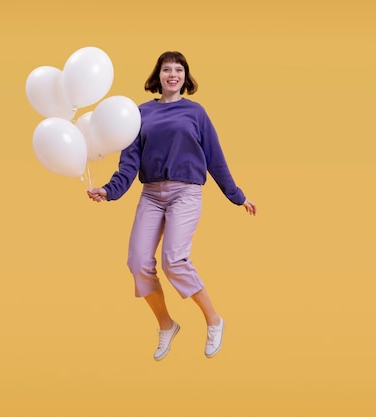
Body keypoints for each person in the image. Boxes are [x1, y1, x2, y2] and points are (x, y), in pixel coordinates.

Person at [87, 51, 257, 361]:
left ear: (185, 76)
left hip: (186, 192)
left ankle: (214, 320)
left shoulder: (196, 113)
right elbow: (129, 163)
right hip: (151, 193)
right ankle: (167, 325)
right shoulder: (140, 114)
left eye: (179, 69)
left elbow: (215, 159)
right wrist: (109, 191)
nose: (173, 74)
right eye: (167, 69)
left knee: (173, 260)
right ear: (158, 75)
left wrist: (237, 195)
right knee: (137, 262)